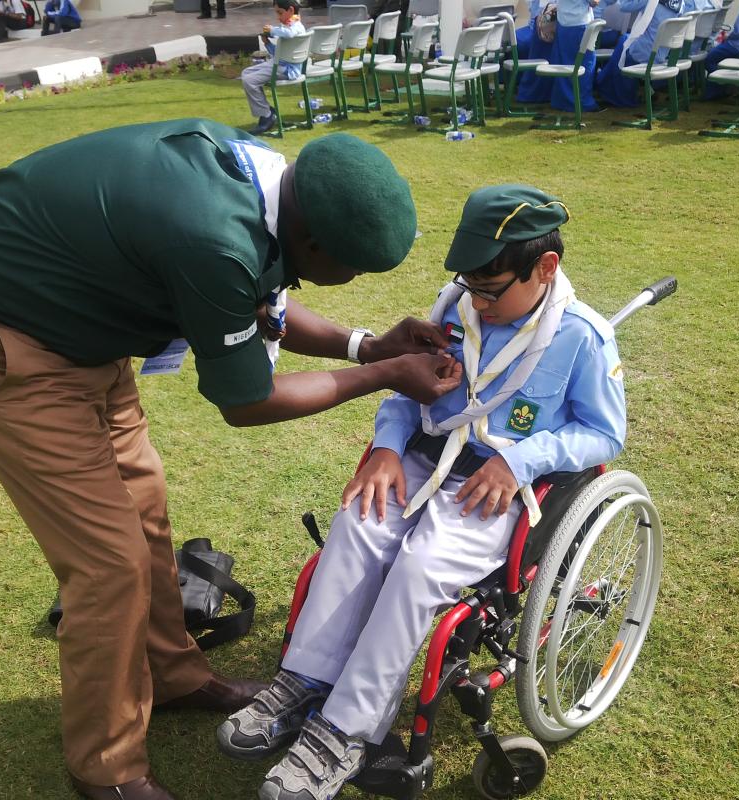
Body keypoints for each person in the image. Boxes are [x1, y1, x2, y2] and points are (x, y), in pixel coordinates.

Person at [0, 119, 461, 800]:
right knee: (108, 564)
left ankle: (173, 675)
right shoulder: (213, 237)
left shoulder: (262, 186)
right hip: (2, 341)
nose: (346, 278)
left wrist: (366, 348)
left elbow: (264, 308)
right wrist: (383, 377)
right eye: (346, 265)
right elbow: (247, 400)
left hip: (81, 331)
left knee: (143, 505)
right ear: (311, 238)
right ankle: (107, 770)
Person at [218, 184, 627, 800]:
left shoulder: (582, 338)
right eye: (471, 287)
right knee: (358, 523)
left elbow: (604, 431)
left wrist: (520, 460)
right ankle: (306, 677)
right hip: (421, 458)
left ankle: (348, 729)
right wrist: (387, 444)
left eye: (491, 290)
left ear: (545, 267)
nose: (479, 303)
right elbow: (408, 389)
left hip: (497, 486)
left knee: (420, 568)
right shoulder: (455, 306)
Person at [594, 0, 685, 107]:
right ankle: (605, 84)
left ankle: (615, 93)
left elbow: (624, 6)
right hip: (663, 52)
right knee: (625, 40)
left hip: (646, 52)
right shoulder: (680, 3)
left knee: (623, 43)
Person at [240, 0, 306, 135]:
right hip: (280, 64)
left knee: (249, 81)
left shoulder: (296, 27)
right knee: (246, 73)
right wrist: (268, 43)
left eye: (280, 13)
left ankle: (266, 115)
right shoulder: (289, 27)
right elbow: (280, 52)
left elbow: (289, 34)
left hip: (287, 69)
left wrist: (272, 30)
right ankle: (268, 110)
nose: (278, 17)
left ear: (291, 11)